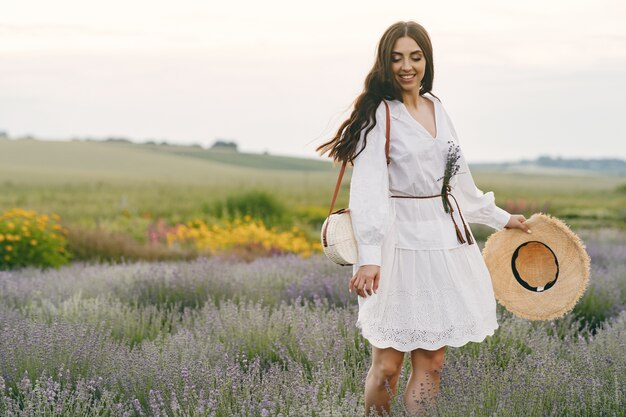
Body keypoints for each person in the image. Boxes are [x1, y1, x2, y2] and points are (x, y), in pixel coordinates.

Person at [316, 21, 531, 416]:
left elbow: (459, 178)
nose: (406, 66)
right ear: (385, 62)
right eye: (396, 58)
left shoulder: (438, 107)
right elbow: (367, 190)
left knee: (432, 365)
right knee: (388, 367)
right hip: (396, 248)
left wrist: (500, 218)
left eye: (415, 57)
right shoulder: (379, 114)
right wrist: (370, 257)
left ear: (426, 60)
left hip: (442, 245)